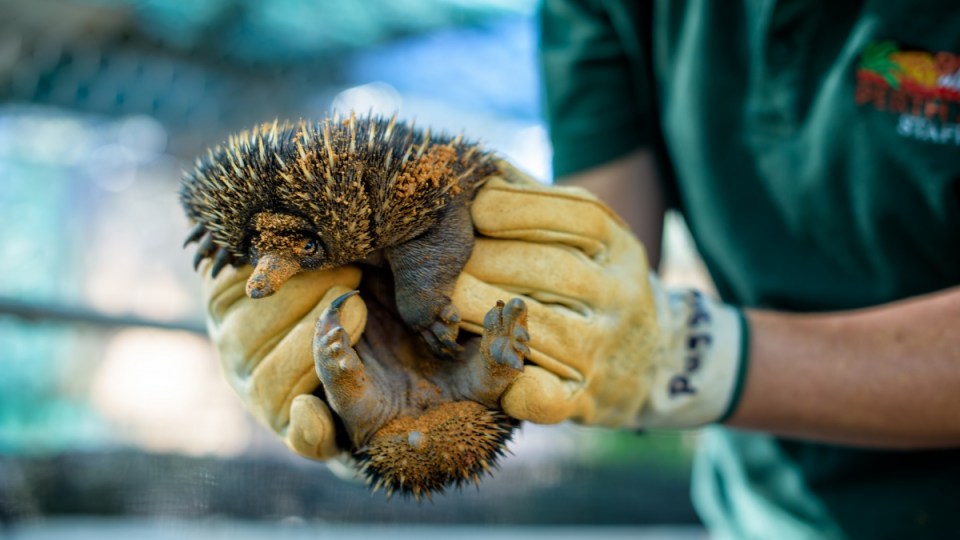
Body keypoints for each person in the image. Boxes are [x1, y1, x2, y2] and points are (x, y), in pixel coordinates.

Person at [200, 1, 960, 538]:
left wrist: (688, 358)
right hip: (765, 511)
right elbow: (598, 259)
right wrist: (443, 345)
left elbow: (637, 331)